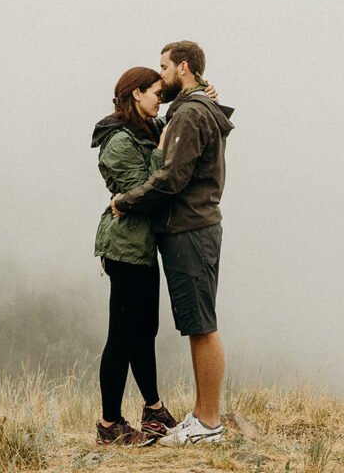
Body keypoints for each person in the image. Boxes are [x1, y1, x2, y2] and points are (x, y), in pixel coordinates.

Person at [111, 40, 234, 446]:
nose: (160, 76)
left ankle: (209, 422)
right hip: (194, 226)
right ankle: (201, 415)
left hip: (189, 229)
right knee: (197, 324)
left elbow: (171, 179)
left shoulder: (189, 113)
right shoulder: (196, 107)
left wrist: (125, 202)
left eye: (164, 67)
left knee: (201, 325)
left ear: (183, 68)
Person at [91, 67, 218, 446]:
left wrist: (202, 93)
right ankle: (110, 424)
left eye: (163, 93)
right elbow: (140, 191)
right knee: (121, 337)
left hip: (142, 250)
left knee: (144, 333)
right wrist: (163, 151)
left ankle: (153, 410)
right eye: (155, 93)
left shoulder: (145, 127)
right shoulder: (118, 141)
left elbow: (179, 119)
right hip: (125, 250)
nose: (160, 99)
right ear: (136, 94)